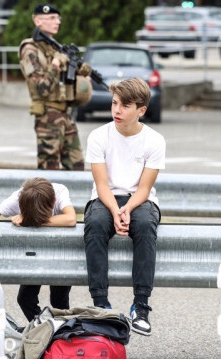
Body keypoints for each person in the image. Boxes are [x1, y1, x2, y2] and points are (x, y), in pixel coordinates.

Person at [83, 78, 166, 336]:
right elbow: (102, 185)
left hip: (139, 199)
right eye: (114, 103)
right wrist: (115, 210)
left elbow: (143, 189)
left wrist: (127, 209)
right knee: (95, 223)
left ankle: (141, 307)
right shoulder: (98, 136)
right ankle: (101, 305)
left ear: (141, 110)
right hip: (105, 197)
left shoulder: (154, 140)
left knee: (144, 224)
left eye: (125, 105)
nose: (116, 110)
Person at [0, 177, 76, 321]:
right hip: (35, 252)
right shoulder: (19, 197)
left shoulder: (59, 191)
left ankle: (63, 335)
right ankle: (43, 329)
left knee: (59, 301)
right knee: (25, 299)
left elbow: (70, 219)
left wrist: (32, 220)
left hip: (59, 252)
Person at [18, 3, 91, 171]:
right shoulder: (30, 50)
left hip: (66, 114)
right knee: (49, 169)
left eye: (58, 18)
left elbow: (64, 82)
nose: (57, 22)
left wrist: (80, 71)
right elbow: (41, 88)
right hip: (48, 116)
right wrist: (56, 64)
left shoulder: (54, 47)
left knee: (77, 166)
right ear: (37, 21)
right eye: (51, 18)